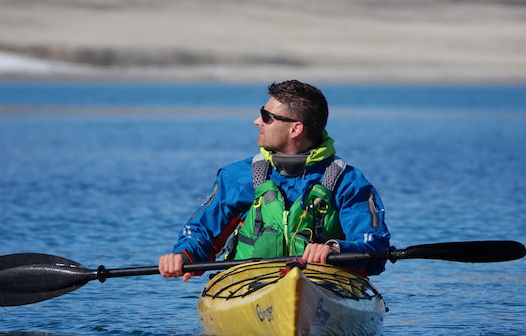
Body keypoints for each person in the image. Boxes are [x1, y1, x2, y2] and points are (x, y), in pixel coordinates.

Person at [159, 80, 390, 281]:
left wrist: (335, 250)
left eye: (266, 116)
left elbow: (375, 247)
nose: (256, 121)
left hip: (321, 284)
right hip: (247, 283)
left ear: (295, 129)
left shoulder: (348, 182)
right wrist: (183, 255)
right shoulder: (238, 177)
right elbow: (203, 231)